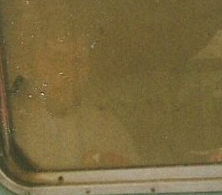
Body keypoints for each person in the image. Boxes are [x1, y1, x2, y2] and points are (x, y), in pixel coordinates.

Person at [9, 28, 137, 171]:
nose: (70, 73)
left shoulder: (107, 127)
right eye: (57, 60)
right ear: (28, 67)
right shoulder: (9, 125)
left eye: (78, 62)